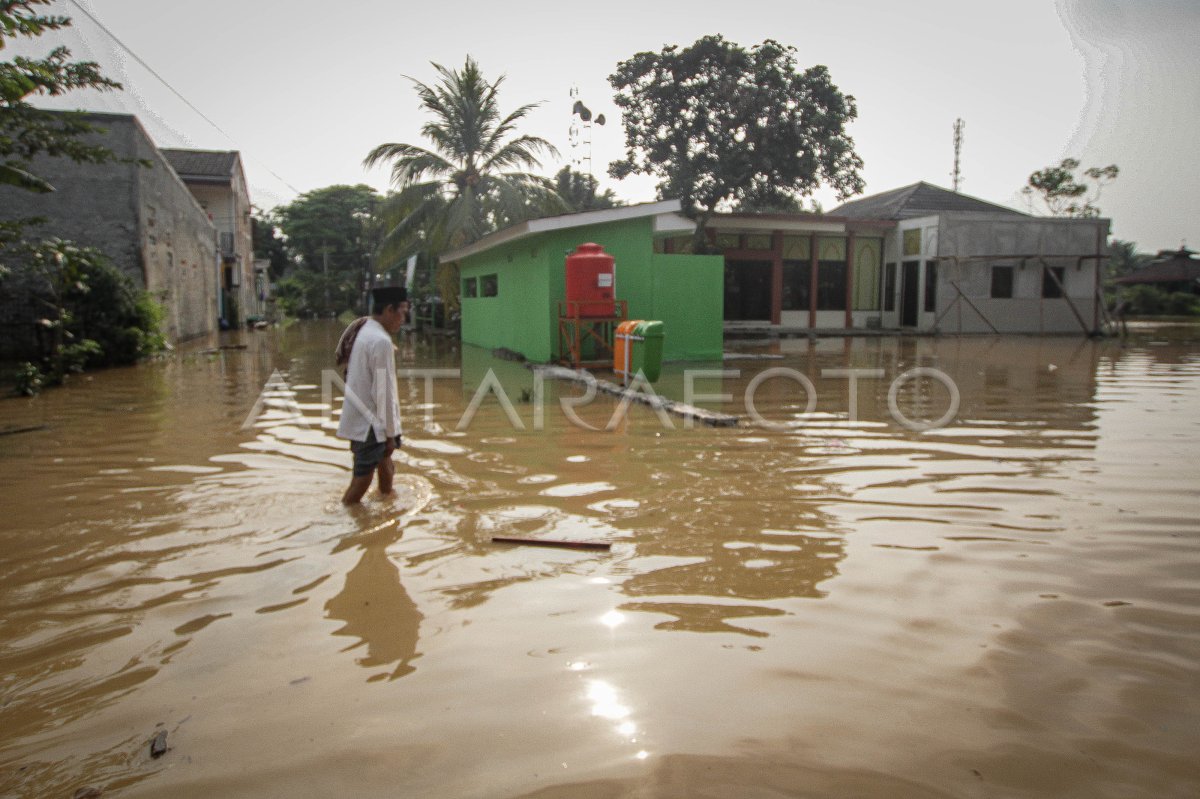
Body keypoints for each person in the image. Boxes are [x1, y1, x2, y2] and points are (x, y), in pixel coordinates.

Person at [337, 286, 408, 504]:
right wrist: (389, 434)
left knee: (386, 461)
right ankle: (345, 513)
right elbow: (383, 393)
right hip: (370, 422)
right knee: (362, 479)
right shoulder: (381, 341)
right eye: (402, 312)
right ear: (389, 310)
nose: (403, 319)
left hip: (363, 415)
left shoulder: (365, 329)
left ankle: (387, 499)